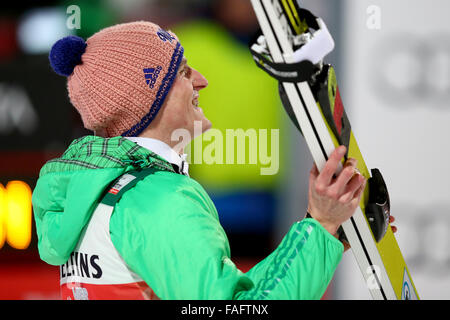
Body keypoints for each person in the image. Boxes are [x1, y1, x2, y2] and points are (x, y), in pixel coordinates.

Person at [32, 21, 368, 300]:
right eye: (182, 72)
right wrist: (322, 224)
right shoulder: (160, 200)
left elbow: (236, 295)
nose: (201, 81)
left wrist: (318, 233)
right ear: (151, 97)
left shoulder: (102, 194)